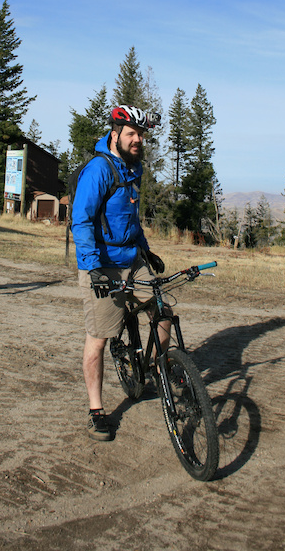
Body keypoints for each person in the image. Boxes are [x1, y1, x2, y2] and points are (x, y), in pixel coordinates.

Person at [72, 105, 169, 440]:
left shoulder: (133, 169)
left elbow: (131, 218)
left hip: (132, 257)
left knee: (163, 314)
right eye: (131, 134)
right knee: (99, 338)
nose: (137, 140)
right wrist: (93, 267)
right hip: (102, 263)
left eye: (141, 134)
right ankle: (96, 410)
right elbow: (81, 221)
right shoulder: (99, 169)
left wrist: (146, 249)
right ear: (115, 134)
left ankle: (155, 371)